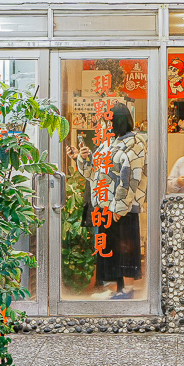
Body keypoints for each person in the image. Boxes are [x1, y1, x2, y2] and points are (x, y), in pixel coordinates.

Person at [75, 101, 147, 299]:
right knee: (111, 248)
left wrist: (119, 207)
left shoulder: (134, 143)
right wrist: (83, 158)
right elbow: (93, 175)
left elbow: (131, 178)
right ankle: (115, 289)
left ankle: (127, 291)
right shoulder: (108, 143)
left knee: (125, 246)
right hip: (106, 206)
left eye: (106, 122)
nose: (103, 126)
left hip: (122, 207)